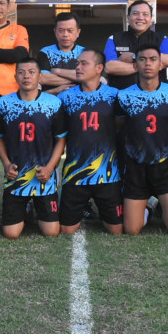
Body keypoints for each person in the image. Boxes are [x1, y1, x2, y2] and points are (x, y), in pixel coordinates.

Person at [114, 43, 168, 235]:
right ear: (135, 65)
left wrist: (166, 139)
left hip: (165, 163)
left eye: (153, 59)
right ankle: (149, 206)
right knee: (132, 230)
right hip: (135, 164)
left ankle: (160, 202)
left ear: (161, 64)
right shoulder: (124, 96)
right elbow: (119, 125)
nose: (148, 64)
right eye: (142, 59)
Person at [0, 57, 66, 239]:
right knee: (11, 234)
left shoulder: (53, 103)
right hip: (16, 176)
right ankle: (25, 207)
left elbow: (60, 139)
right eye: (21, 72)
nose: (26, 76)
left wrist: (50, 168)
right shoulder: (3, 104)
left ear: (40, 77)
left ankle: (35, 207)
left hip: (43, 177)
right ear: (15, 77)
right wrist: (7, 164)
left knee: (52, 232)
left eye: (32, 72)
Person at [57, 50, 123, 235]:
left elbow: (120, 126)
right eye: (77, 63)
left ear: (99, 68)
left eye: (84, 63)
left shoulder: (114, 95)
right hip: (75, 172)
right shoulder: (65, 97)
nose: (78, 67)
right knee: (66, 230)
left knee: (116, 230)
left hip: (107, 173)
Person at [104, 0, 168, 90]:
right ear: (128, 17)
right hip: (121, 97)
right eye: (135, 13)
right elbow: (109, 67)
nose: (140, 18)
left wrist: (134, 57)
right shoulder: (114, 38)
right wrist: (147, 65)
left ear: (151, 18)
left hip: (155, 97)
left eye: (145, 14)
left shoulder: (160, 38)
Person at [37, 12, 84, 95]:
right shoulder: (45, 52)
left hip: (79, 98)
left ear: (78, 32)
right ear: (55, 31)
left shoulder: (85, 53)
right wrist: (79, 78)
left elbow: (89, 76)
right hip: (52, 99)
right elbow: (44, 79)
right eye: (61, 30)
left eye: (70, 30)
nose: (65, 34)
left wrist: (58, 71)